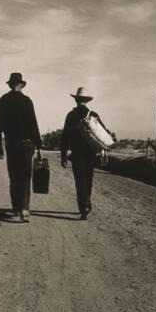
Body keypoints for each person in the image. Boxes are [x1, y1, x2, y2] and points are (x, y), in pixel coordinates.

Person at [0, 72, 42, 222]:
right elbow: (33, 124)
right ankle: (25, 209)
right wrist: (39, 144)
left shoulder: (3, 100)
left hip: (12, 144)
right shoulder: (27, 101)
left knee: (14, 177)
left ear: (10, 85)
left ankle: (15, 209)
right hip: (27, 144)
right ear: (21, 85)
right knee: (26, 177)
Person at [60, 87, 111, 220]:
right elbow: (103, 133)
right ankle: (86, 202)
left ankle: (84, 207)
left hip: (77, 154)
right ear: (87, 101)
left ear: (76, 100)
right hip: (91, 154)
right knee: (88, 179)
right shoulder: (93, 114)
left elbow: (65, 136)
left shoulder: (70, 116)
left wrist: (63, 155)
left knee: (79, 181)